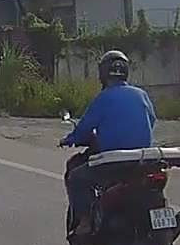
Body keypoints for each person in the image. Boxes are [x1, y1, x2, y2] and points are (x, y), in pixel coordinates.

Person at [59, 50, 156, 235]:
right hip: (141, 159)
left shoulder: (104, 97)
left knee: (76, 177)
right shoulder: (141, 94)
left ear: (102, 73)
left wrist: (70, 139)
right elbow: (151, 119)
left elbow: (85, 127)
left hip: (113, 161)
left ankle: (85, 222)